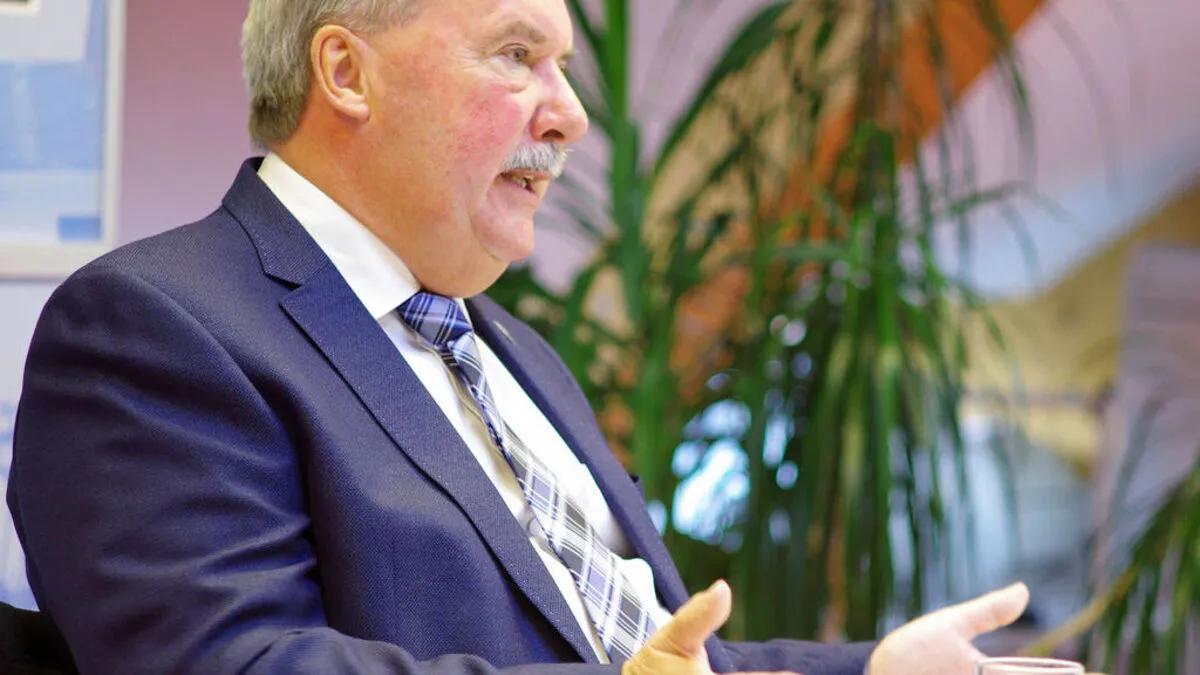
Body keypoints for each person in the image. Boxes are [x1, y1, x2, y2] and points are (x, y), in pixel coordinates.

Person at [8, 1, 1035, 673]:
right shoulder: (154, 326)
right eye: (517, 56)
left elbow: (654, 656)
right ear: (347, 72)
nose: (571, 116)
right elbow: (238, 665)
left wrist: (874, 667)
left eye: (565, 67)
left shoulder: (515, 353)